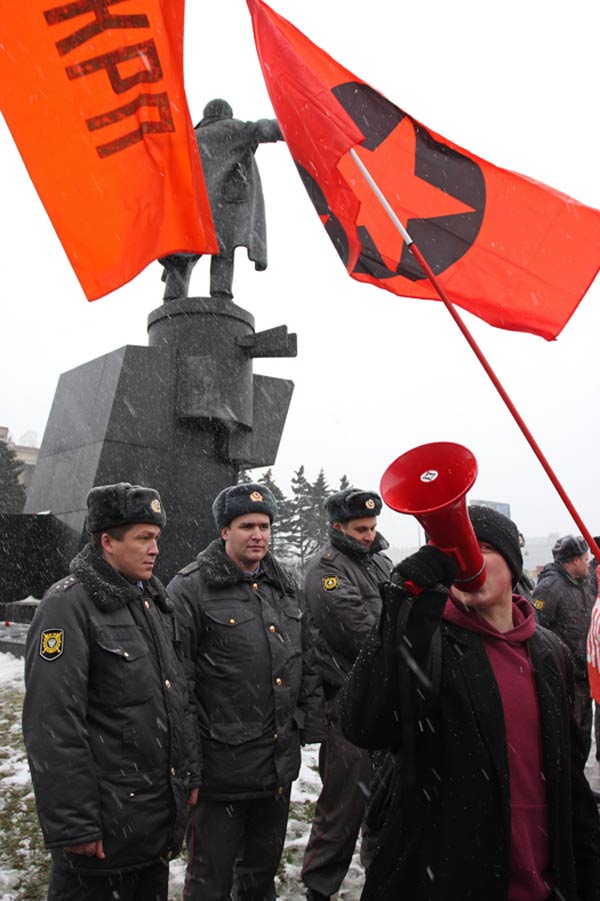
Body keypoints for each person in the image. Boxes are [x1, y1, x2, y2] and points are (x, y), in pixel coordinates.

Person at [339, 505, 600, 900]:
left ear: (513, 563)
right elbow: (363, 722)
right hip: (450, 882)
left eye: (481, 548)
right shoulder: (428, 641)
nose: (467, 561)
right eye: (452, 551)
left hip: (546, 884)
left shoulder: (550, 653)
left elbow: (569, 780)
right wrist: (399, 616)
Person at [22, 482, 199, 901]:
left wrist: (188, 773)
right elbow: (53, 723)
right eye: (143, 538)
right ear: (107, 542)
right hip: (101, 834)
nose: (155, 548)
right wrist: (75, 824)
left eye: (156, 538)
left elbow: (176, 697)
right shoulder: (67, 607)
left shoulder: (151, 602)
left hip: (150, 826)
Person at [167, 482, 324, 901]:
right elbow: (177, 684)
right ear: (224, 531)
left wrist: (307, 721)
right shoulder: (189, 589)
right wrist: (190, 764)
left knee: (260, 877)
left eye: (265, 525)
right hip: (221, 769)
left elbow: (302, 655)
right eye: (247, 525)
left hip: (276, 765)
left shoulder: (282, 584)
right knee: (210, 881)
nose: (258, 535)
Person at [301, 488, 392, 901]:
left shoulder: (381, 562)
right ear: (338, 527)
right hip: (347, 704)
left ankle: (380, 880)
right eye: (361, 529)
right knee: (343, 807)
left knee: (386, 804)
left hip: (387, 702)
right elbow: (363, 635)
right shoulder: (325, 571)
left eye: (373, 527)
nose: (369, 535)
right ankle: (319, 888)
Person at [160, 98, 283, 301]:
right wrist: (292, 126)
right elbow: (264, 129)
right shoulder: (231, 128)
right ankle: (220, 297)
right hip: (223, 206)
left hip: (192, 207)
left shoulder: (191, 137)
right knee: (224, 248)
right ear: (226, 113)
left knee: (181, 254)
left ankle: (172, 300)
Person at [533, 534, 595, 759]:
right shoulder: (550, 588)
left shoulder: (585, 583)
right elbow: (536, 630)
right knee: (569, 737)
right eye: (585, 558)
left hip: (585, 674)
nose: (588, 562)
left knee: (584, 734)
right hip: (564, 677)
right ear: (574, 561)